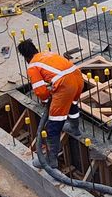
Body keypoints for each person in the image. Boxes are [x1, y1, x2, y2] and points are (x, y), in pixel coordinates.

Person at [17, 38, 83, 167]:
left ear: (25, 57)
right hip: (78, 77)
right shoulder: (47, 54)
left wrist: (46, 100)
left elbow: (40, 91)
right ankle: (74, 128)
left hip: (65, 85)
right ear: (35, 49)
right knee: (72, 104)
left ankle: (51, 159)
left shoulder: (32, 66)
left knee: (53, 125)